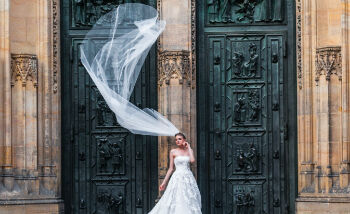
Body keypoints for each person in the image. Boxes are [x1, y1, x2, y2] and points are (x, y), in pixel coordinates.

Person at [148, 133, 202, 214]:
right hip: (177, 178)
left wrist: (189, 147)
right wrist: (164, 183)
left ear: (184, 140)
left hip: (188, 178)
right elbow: (170, 168)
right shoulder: (173, 151)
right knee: (176, 198)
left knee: (188, 198)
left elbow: (192, 161)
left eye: (179, 139)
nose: (177, 141)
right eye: (176, 139)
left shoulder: (189, 151)